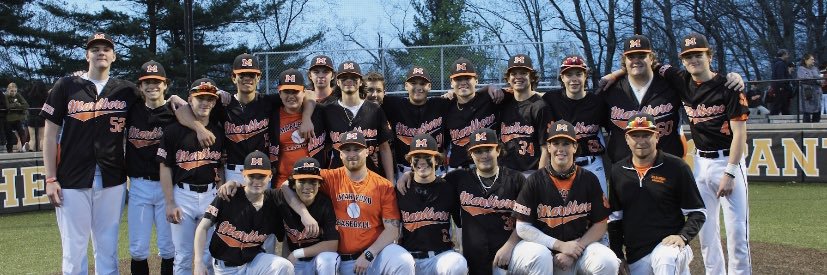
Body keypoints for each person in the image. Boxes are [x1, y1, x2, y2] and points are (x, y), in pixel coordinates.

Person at [41, 32, 140, 275]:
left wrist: (178, 100)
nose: (101, 52)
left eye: (106, 49)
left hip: (112, 178)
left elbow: (156, 107)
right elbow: (50, 135)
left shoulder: (126, 90)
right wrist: (51, 178)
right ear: (87, 55)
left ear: (114, 56)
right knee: (73, 249)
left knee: (107, 247)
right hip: (72, 178)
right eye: (95, 49)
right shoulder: (66, 86)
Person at [656, 32, 752, 275]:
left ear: (709, 56)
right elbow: (648, 63)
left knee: (737, 232)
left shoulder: (728, 87)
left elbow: (740, 134)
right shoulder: (680, 79)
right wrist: (615, 74)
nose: (693, 60)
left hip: (729, 161)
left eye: (698, 55)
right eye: (688, 57)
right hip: (701, 162)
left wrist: (729, 173)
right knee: (706, 232)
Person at [282, 130, 415, 275]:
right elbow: (286, 185)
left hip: (372, 255)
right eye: (346, 150)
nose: (351, 154)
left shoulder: (382, 185)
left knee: (402, 259)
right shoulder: (329, 177)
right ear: (340, 154)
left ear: (367, 152)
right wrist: (304, 214)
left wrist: (369, 254)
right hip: (341, 260)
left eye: (357, 149)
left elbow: (392, 230)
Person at [399, 127, 526, 275]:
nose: (484, 155)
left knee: (538, 254)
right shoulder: (458, 178)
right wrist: (409, 174)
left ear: (497, 150)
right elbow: (427, 178)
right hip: (476, 259)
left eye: (488, 149)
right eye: (478, 151)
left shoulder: (516, 179)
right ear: (471, 154)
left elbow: (526, 220)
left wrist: (510, 246)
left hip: (509, 253)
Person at [511, 120, 620, 275]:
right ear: (548, 147)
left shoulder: (589, 179)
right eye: (556, 143)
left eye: (566, 144)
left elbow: (601, 224)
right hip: (544, 251)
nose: (560, 149)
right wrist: (560, 246)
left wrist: (574, 249)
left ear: (575, 147)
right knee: (539, 255)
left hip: (579, 248)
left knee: (607, 260)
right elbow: (522, 227)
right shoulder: (535, 181)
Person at [608, 113, 707, 275]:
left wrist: (682, 237)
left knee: (666, 259)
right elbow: (614, 219)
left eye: (646, 135)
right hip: (637, 253)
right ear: (627, 139)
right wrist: (618, 255)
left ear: (657, 136)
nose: (641, 141)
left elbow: (698, 212)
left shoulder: (676, 167)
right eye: (635, 136)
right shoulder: (618, 171)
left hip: (669, 246)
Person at [159, 78, 225, 274]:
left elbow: (220, 166)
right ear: (190, 99)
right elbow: (164, 167)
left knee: (208, 253)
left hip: (210, 196)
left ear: (214, 103)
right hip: (182, 196)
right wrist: (170, 202)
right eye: (200, 98)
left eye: (209, 99)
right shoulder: (173, 131)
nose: (205, 102)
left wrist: (220, 191)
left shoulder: (219, 133)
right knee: (183, 255)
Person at [193, 151, 295, 275]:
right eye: (252, 176)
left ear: (270, 176)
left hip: (255, 263)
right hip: (226, 268)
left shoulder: (273, 204)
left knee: (284, 266)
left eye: (261, 176)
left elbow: (286, 234)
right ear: (243, 175)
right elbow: (202, 228)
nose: (256, 181)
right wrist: (198, 262)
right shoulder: (228, 195)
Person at [597, 35, 687, 163]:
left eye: (641, 56)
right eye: (631, 57)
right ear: (624, 61)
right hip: (625, 171)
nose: (636, 60)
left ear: (651, 58)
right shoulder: (610, 90)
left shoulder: (670, 86)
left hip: (667, 167)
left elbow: (696, 83)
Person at [126, 60, 177, 275]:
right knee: (137, 249)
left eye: (157, 82)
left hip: (168, 187)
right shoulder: (131, 110)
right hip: (139, 186)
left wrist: (180, 101)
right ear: (140, 87)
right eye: (147, 82)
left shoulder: (176, 112)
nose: (152, 86)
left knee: (168, 247)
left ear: (165, 85)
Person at [396, 134, 467, 275]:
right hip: (409, 259)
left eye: (427, 157)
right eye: (417, 157)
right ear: (410, 161)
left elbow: (460, 226)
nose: (422, 162)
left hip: (441, 257)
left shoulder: (448, 188)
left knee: (458, 264)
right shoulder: (400, 190)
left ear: (436, 160)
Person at [543, 55, 609, 193]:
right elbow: (526, 95)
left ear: (586, 76)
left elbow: (614, 131)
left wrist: (614, 75)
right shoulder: (551, 99)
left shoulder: (598, 102)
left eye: (579, 74)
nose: (574, 79)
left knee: (600, 211)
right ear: (562, 77)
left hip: (592, 165)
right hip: (561, 165)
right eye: (568, 74)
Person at [320, 61, 395, 180]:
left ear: (360, 82)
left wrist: (391, 181)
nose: (349, 81)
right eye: (344, 78)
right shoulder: (328, 111)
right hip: (339, 180)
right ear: (338, 82)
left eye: (354, 77)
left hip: (371, 179)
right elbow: (324, 147)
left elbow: (385, 148)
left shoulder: (374, 109)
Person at [382, 66, 451, 178]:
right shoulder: (393, 105)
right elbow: (370, 98)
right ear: (406, 86)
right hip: (404, 171)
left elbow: (467, 98)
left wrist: (452, 93)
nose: (418, 87)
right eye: (413, 83)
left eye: (422, 83)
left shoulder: (441, 104)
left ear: (429, 86)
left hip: (435, 170)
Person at [498, 54, 552, 176]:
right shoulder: (503, 104)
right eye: (514, 74)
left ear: (532, 77)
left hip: (531, 173)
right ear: (508, 78)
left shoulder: (540, 106)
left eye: (523, 73)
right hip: (505, 173)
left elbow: (546, 148)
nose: (518, 77)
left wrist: (540, 178)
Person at [273, 68, 327, 187]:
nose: (291, 96)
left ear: (303, 92)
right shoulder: (272, 115)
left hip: (312, 180)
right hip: (283, 182)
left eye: (295, 91)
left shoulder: (318, 113)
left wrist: (306, 118)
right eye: (287, 91)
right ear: (279, 93)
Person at [444, 58, 501, 170]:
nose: (463, 82)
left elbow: (524, 94)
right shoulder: (446, 106)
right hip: (458, 169)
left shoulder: (491, 98)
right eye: (458, 79)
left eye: (467, 78)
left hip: (489, 166)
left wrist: (490, 86)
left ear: (476, 80)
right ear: (451, 83)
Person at [797, 53, 823, 122]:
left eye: (813, 59)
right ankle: (806, 130)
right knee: (807, 113)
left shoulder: (815, 68)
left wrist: (816, 79)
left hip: (817, 94)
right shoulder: (801, 69)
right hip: (808, 94)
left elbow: (821, 80)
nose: (813, 61)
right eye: (812, 59)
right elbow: (805, 79)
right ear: (806, 60)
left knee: (817, 114)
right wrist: (816, 78)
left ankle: (817, 131)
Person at [5, 82, 29, 152]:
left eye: (15, 91)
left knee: (22, 132)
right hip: (8, 119)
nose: (13, 93)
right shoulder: (5, 96)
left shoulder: (18, 95)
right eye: (12, 91)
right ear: (8, 90)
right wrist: (17, 105)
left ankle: (24, 147)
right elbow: (7, 106)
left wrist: (17, 105)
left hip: (18, 118)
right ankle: (9, 150)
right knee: (9, 135)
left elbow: (26, 105)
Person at [25, 80, 48, 151]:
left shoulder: (30, 96)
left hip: (31, 117)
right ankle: (41, 151)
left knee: (32, 138)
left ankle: (31, 148)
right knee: (42, 138)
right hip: (41, 117)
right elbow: (48, 107)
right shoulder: (45, 96)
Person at [770, 49, 793, 115]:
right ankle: (772, 118)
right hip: (781, 88)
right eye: (787, 54)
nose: (788, 56)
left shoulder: (777, 63)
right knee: (778, 104)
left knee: (783, 105)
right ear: (783, 55)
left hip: (779, 87)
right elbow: (780, 76)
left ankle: (786, 117)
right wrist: (783, 86)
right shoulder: (780, 64)